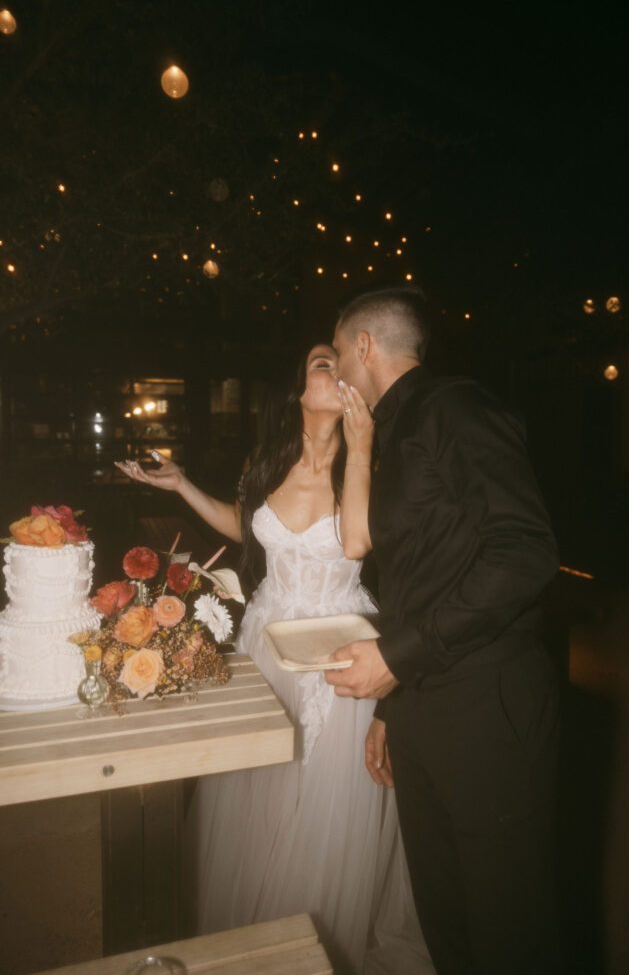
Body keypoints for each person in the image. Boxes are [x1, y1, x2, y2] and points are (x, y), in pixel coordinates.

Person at [116, 344, 434, 975]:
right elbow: (247, 526)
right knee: (256, 793)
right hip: (264, 641)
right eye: (323, 361)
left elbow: (359, 541)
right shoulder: (267, 460)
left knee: (325, 803)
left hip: (340, 645)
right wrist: (182, 485)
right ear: (299, 389)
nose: (336, 367)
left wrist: (362, 439)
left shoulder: (374, 461)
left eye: (342, 361)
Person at [327, 288, 562, 974]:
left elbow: (524, 551)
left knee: (509, 931)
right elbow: (413, 580)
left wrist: (396, 659)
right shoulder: (387, 430)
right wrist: (389, 707)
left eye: (338, 350)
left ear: (364, 346)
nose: (336, 366)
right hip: (423, 699)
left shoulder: (454, 407)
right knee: (446, 924)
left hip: (488, 701)